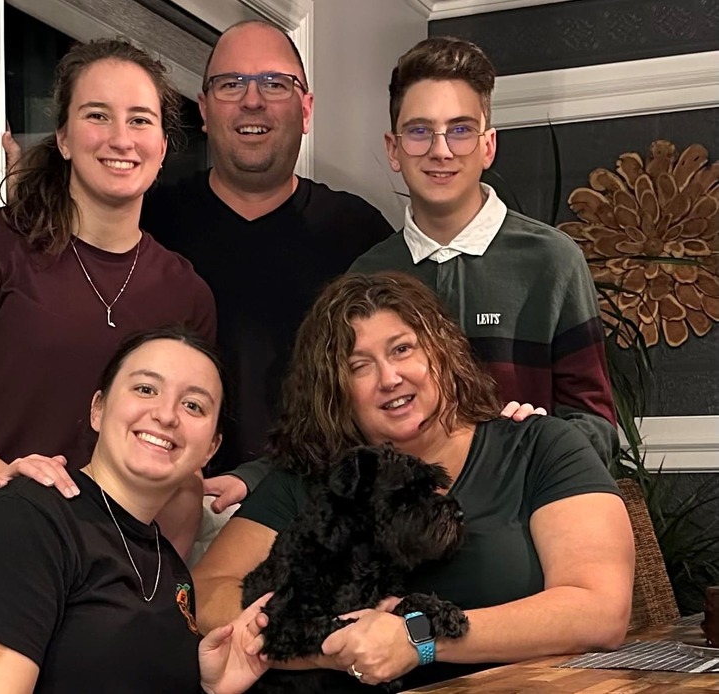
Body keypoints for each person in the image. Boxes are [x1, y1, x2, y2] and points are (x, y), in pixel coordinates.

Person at [0, 39, 215, 694]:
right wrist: (3, 480)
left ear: (163, 143)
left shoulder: (184, 291)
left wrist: (164, 579)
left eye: (141, 120)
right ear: (64, 136)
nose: (120, 137)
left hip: (103, 570)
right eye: (97, 115)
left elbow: (182, 462)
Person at [4, 20, 393, 502]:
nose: (253, 100)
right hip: (150, 508)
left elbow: (383, 387)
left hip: (315, 503)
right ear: (204, 110)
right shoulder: (148, 219)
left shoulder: (360, 233)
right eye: (232, 84)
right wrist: (35, 204)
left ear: (306, 108)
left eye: (275, 83)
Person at [193, 272, 634, 690]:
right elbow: (208, 589)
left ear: (440, 353)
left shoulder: (540, 447)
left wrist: (418, 638)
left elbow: (599, 611)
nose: (389, 378)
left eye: (402, 350)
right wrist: (327, 645)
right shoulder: (316, 477)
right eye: (359, 365)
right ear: (334, 388)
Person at [0, 327, 272, 693]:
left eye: (193, 405)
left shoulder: (168, 564)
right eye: (146, 389)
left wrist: (208, 688)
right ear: (98, 408)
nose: (166, 415)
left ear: (211, 448)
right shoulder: (25, 520)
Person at [351, 36, 619, 462]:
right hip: (402, 518)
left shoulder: (553, 261)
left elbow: (597, 425)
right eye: (420, 131)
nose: (440, 150)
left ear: (488, 146)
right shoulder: (365, 277)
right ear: (394, 149)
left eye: (460, 130)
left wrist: (538, 439)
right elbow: (342, 424)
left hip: (522, 517)